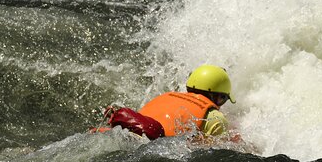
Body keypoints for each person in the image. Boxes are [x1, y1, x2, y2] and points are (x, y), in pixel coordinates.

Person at [96, 64, 235, 140]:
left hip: (116, 134)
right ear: (218, 97)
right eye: (223, 99)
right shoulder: (215, 118)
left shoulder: (165, 96)